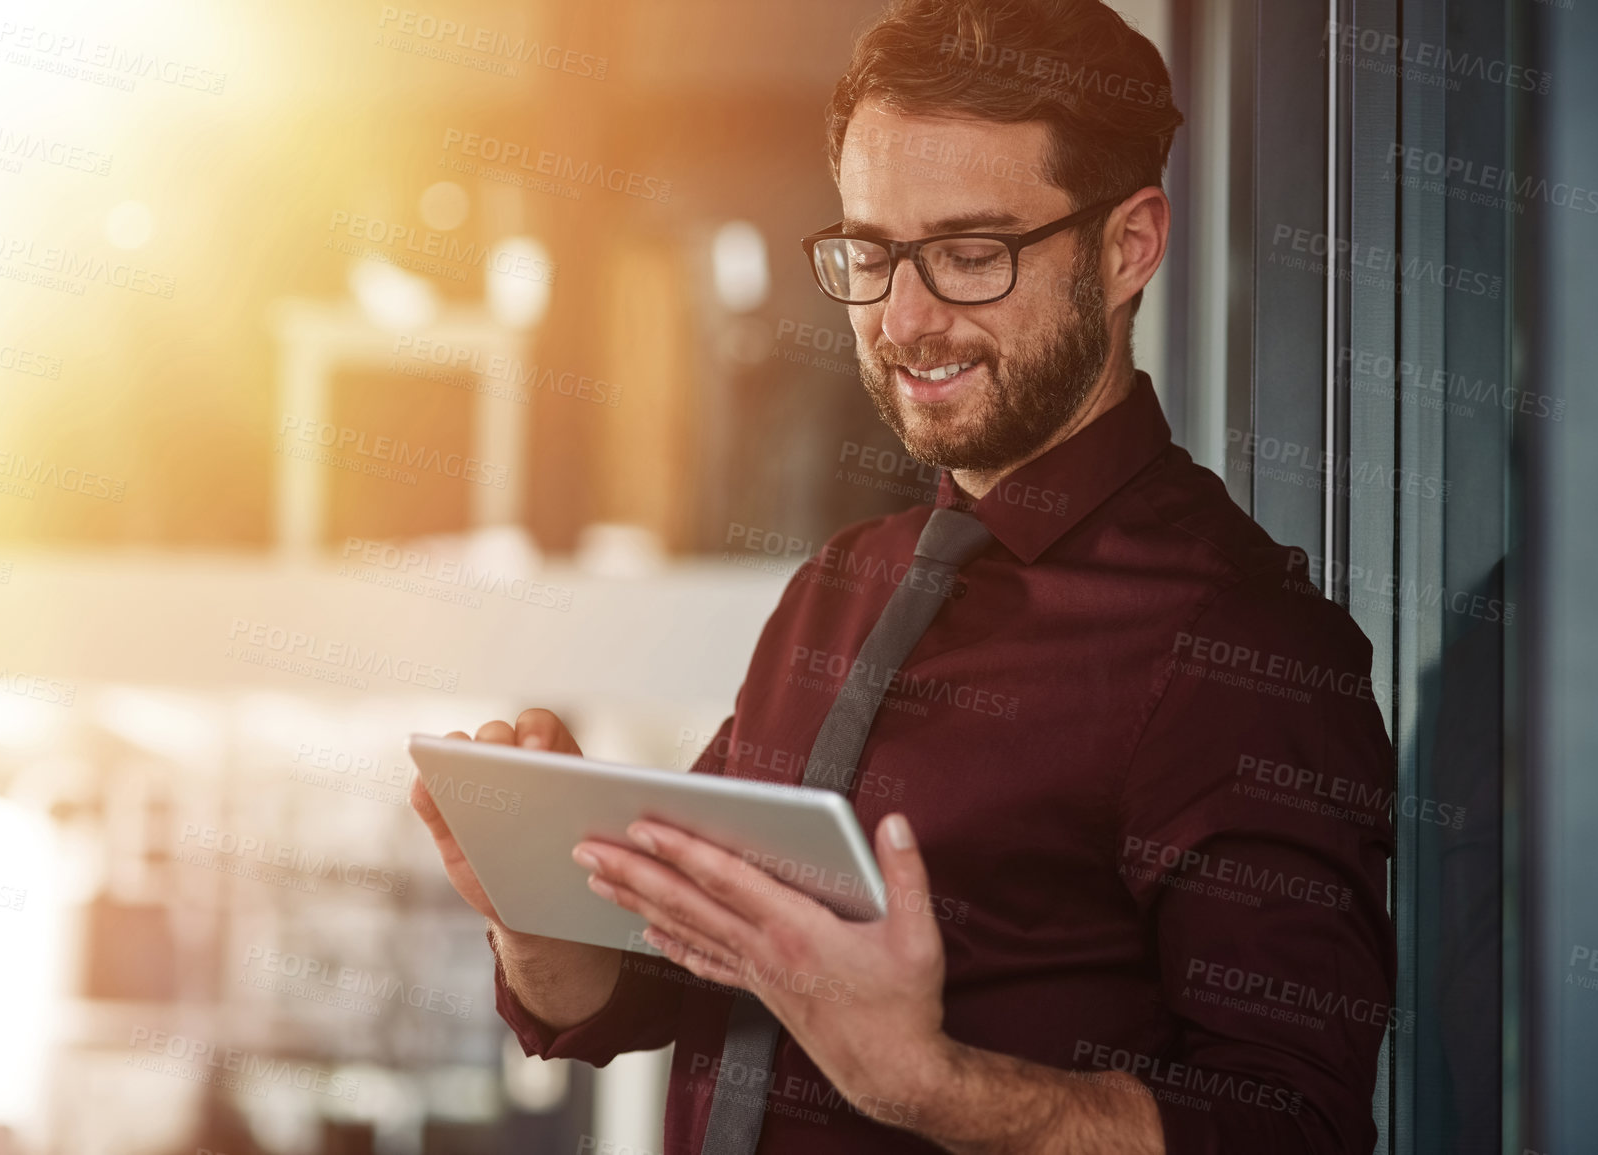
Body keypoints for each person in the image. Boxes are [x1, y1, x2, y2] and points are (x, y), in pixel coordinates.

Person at [412, 1, 1395, 1151]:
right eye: (871, 253)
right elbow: (679, 993)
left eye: (972, 254)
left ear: (1128, 247)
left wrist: (930, 1085)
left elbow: (1293, 1125)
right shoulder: (841, 587)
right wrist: (548, 935)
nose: (905, 318)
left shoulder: (1245, 645)